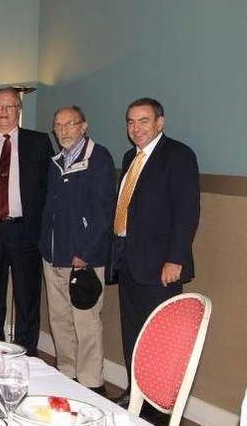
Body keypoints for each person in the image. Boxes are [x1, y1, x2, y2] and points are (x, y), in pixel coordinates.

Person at [110, 98, 199, 406]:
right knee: (133, 333)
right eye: (131, 122)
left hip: (161, 267)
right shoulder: (130, 157)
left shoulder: (178, 156)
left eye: (143, 120)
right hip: (129, 263)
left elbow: (187, 212)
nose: (136, 128)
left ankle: (159, 405)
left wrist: (175, 259)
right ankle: (135, 393)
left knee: (160, 338)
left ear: (159, 122)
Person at [0, 86, 54, 356]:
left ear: (19, 110)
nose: (4, 112)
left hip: (25, 229)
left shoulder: (38, 142)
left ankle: (27, 353)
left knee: (27, 296)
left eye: (10, 106)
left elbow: (48, 188)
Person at [39, 106, 116, 395]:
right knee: (60, 319)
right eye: (58, 125)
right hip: (54, 255)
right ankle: (67, 374)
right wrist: (45, 246)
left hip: (84, 259)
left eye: (70, 124)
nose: (64, 130)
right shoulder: (56, 161)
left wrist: (83, 253)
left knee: (85, 321)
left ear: (84, 126)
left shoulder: (99, 158)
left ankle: (91, 383)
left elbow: (103, 212)